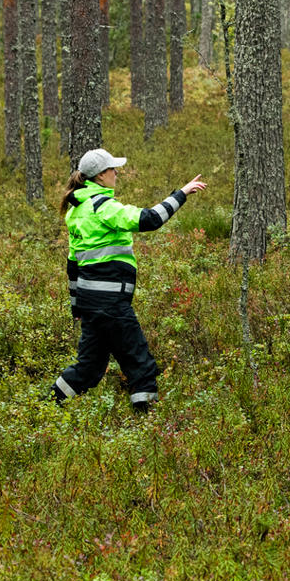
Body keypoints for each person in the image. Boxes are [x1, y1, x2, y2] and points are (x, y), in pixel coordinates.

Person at [55, 147, 205, 413]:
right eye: (113, 169)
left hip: (91, 305)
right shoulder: (103, 207)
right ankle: (147, 425)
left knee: (88, 368)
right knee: (140, 364)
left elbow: (72, 265)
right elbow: (150, 219)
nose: (116, 173)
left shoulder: (76, 211)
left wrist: (77, 308)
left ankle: (45, 407)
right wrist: (182, 194)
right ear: (100, 176)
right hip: (111, 303)